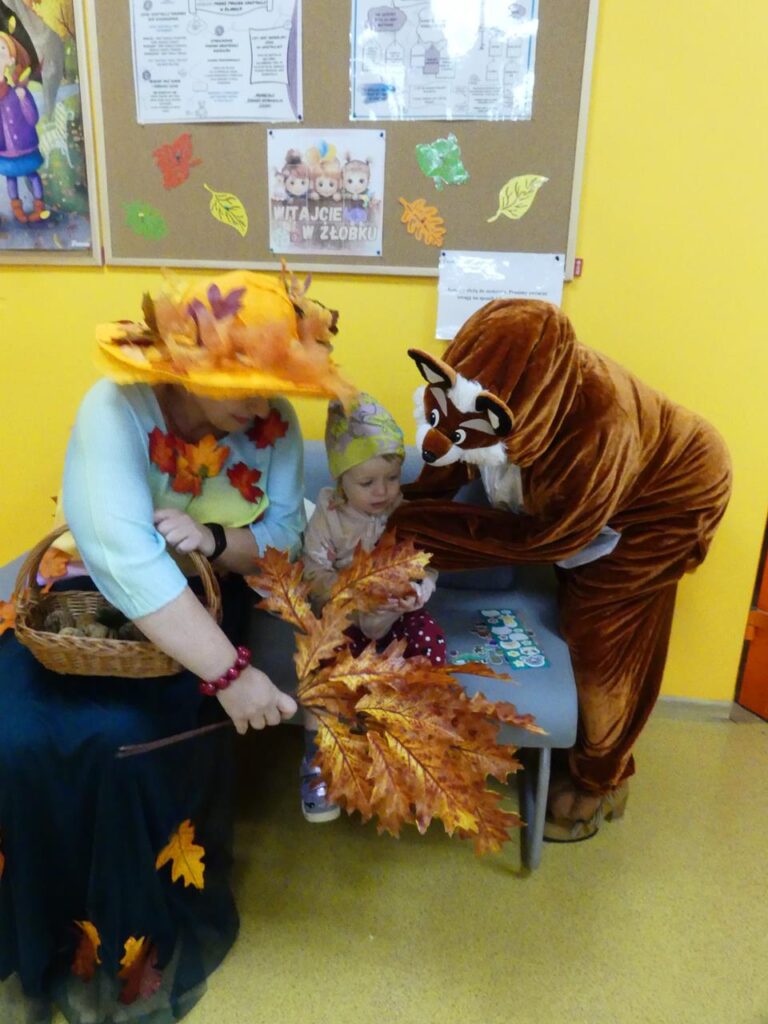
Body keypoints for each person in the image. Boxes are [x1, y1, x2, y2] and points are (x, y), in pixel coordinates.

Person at [0, 268, 351, 1024]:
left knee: (127, 744)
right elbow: (121, 554)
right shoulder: (115, 407)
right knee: (20, 734)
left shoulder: (276, 427)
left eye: (272, 384)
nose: (262, 403)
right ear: (185, 366)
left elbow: (282, 540)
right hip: (89, 599)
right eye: (241, 385)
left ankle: (130, 948)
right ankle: (41, 937)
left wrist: (216, 540)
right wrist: (231, 676)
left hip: (206, 602)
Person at [390, 300, 732, 842]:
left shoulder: (597, 432)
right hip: (598, 492)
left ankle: (602, 780)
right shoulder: (504, 385)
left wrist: (416, 534)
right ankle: (584, 748)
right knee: (578, 600)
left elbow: (548, 539)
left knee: (600, 631)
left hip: (672, 499)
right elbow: (450, 455)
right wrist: (402, 505)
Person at [300, 394, 446, 822]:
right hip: (343, 613)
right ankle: (321, 759)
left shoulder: (405, 512)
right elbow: (313, 572)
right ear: (341, 480)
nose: (382, 491)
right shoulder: (328, 515)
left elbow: (426, 563)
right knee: (318, 666)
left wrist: (417, 590)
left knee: (430, 644)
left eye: (392, 478)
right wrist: (353, 593)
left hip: (398, 615)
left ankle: (416, 752)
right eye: (367, 483)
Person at [0, 29, 49, 223]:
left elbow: (32, 118)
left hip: (25, 145)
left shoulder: (18, 91)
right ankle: (17, 208)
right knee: (10, 177)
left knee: (32, 174)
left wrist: (23, 98)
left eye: (2, 49)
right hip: (4, 148)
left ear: (11, 59)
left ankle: (39, 205)